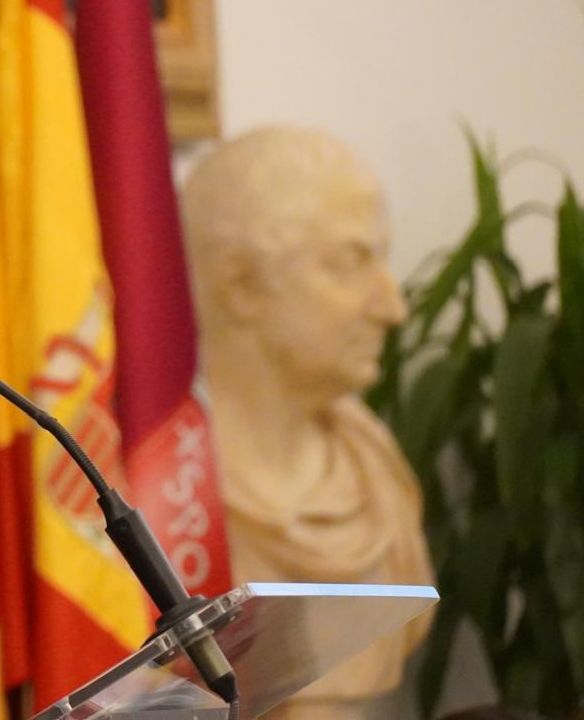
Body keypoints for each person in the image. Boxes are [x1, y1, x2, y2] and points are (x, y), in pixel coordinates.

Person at [180, 126, 433, 720]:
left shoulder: (375, 473)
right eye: (352, 262)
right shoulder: (166, 499)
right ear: (243, 284)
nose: (392, 308)